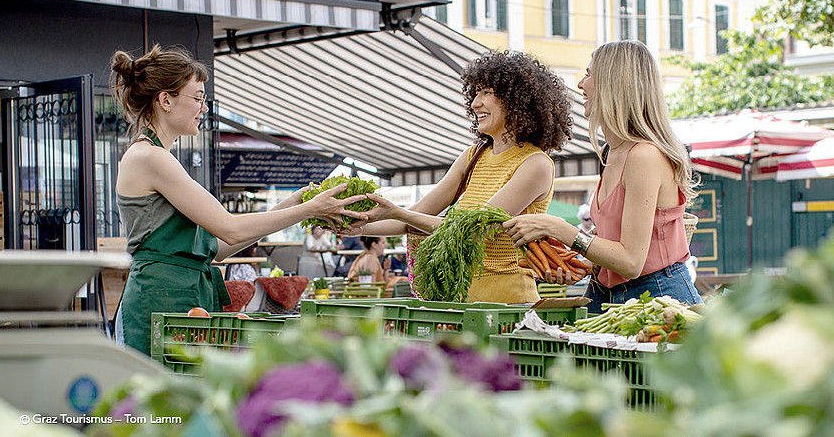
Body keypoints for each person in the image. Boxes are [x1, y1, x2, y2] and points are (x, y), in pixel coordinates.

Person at [110, 44, 369, 355]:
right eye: (197, 97)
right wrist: (311, 208)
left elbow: (219, 247)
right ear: (165, 99)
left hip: (180, 299)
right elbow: (230, 228)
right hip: (159, 302)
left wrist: (298, 202)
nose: (203, 108)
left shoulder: (157, 156)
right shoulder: (150, 157)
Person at [349, 50, 573, 304]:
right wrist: (354, 225)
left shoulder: (535, 164)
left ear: (518, 100)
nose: (475, 103)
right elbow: (414, 218)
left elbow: (470, 231)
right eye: (475, 92)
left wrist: (398, 212)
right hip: (460, 303)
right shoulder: (472, 157)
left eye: (487, 92)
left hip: (508, 307)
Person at [502, 41, 703, 313]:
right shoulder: (613, 152)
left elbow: (631, 261)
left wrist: (558, 228)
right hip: (604, 294)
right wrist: (580, 264)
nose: (581, 84)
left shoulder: (645, 156)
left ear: (613, 83)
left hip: (656, 299)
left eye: (588, 74)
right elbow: (616, 243)